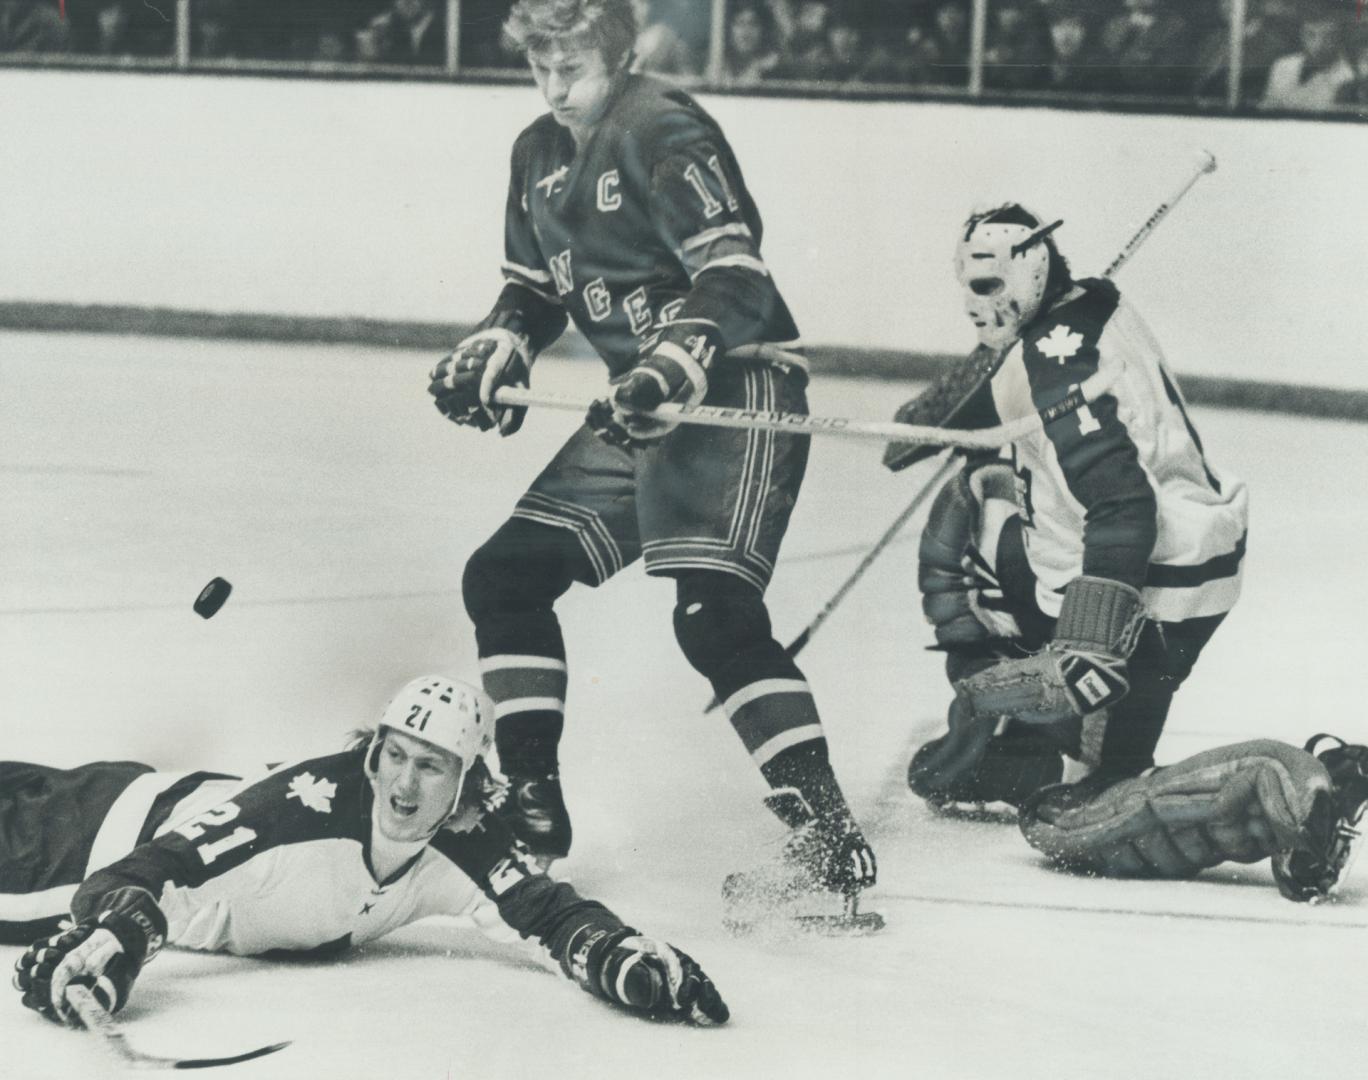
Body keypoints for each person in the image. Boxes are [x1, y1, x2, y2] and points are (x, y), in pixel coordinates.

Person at [426, 0, 877, 924]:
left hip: (733, 388)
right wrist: (501, 341)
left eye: (574, 65)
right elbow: (533, 291)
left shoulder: (662, 127)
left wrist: (678, 356)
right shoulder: (536, 152)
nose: (556, 86)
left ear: (620, 54)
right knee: (504, 576)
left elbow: (737, 275)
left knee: (712, 617)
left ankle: (830, 839)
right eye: (541, 65)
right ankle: (534, 806)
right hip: (639, 400)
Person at [6, 675, 728, 1028]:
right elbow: (145, 874)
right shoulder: (301, 807)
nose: (404, 783)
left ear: (468, 781)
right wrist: (118, 940)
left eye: (433, 765)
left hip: (119, 801)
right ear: (375, 752)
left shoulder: (468, 840)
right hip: (73, 846)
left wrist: (615, 954)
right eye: (395, 755)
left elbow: (546, 914)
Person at [890, 203, 1248, 823]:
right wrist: (965, 391)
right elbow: (937, 424)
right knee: (980, 489)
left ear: (1029, 274)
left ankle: (1269, 789)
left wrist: (1090, 647)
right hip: (1189, 552)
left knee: (1079, 807)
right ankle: (1045, 716)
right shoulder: (1091, 300)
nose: (974, 304)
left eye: (987, 287)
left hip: (1150, 588)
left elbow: (1121, 501)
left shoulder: (1055, 372)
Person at [1260, 5, 1355, 112]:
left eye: (1328, 37)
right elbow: (1266, 112)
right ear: (1302, 35)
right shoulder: (1282, 65)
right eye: (1311, 35)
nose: (1319, 44)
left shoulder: (1348, 78)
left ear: (1339, 39)